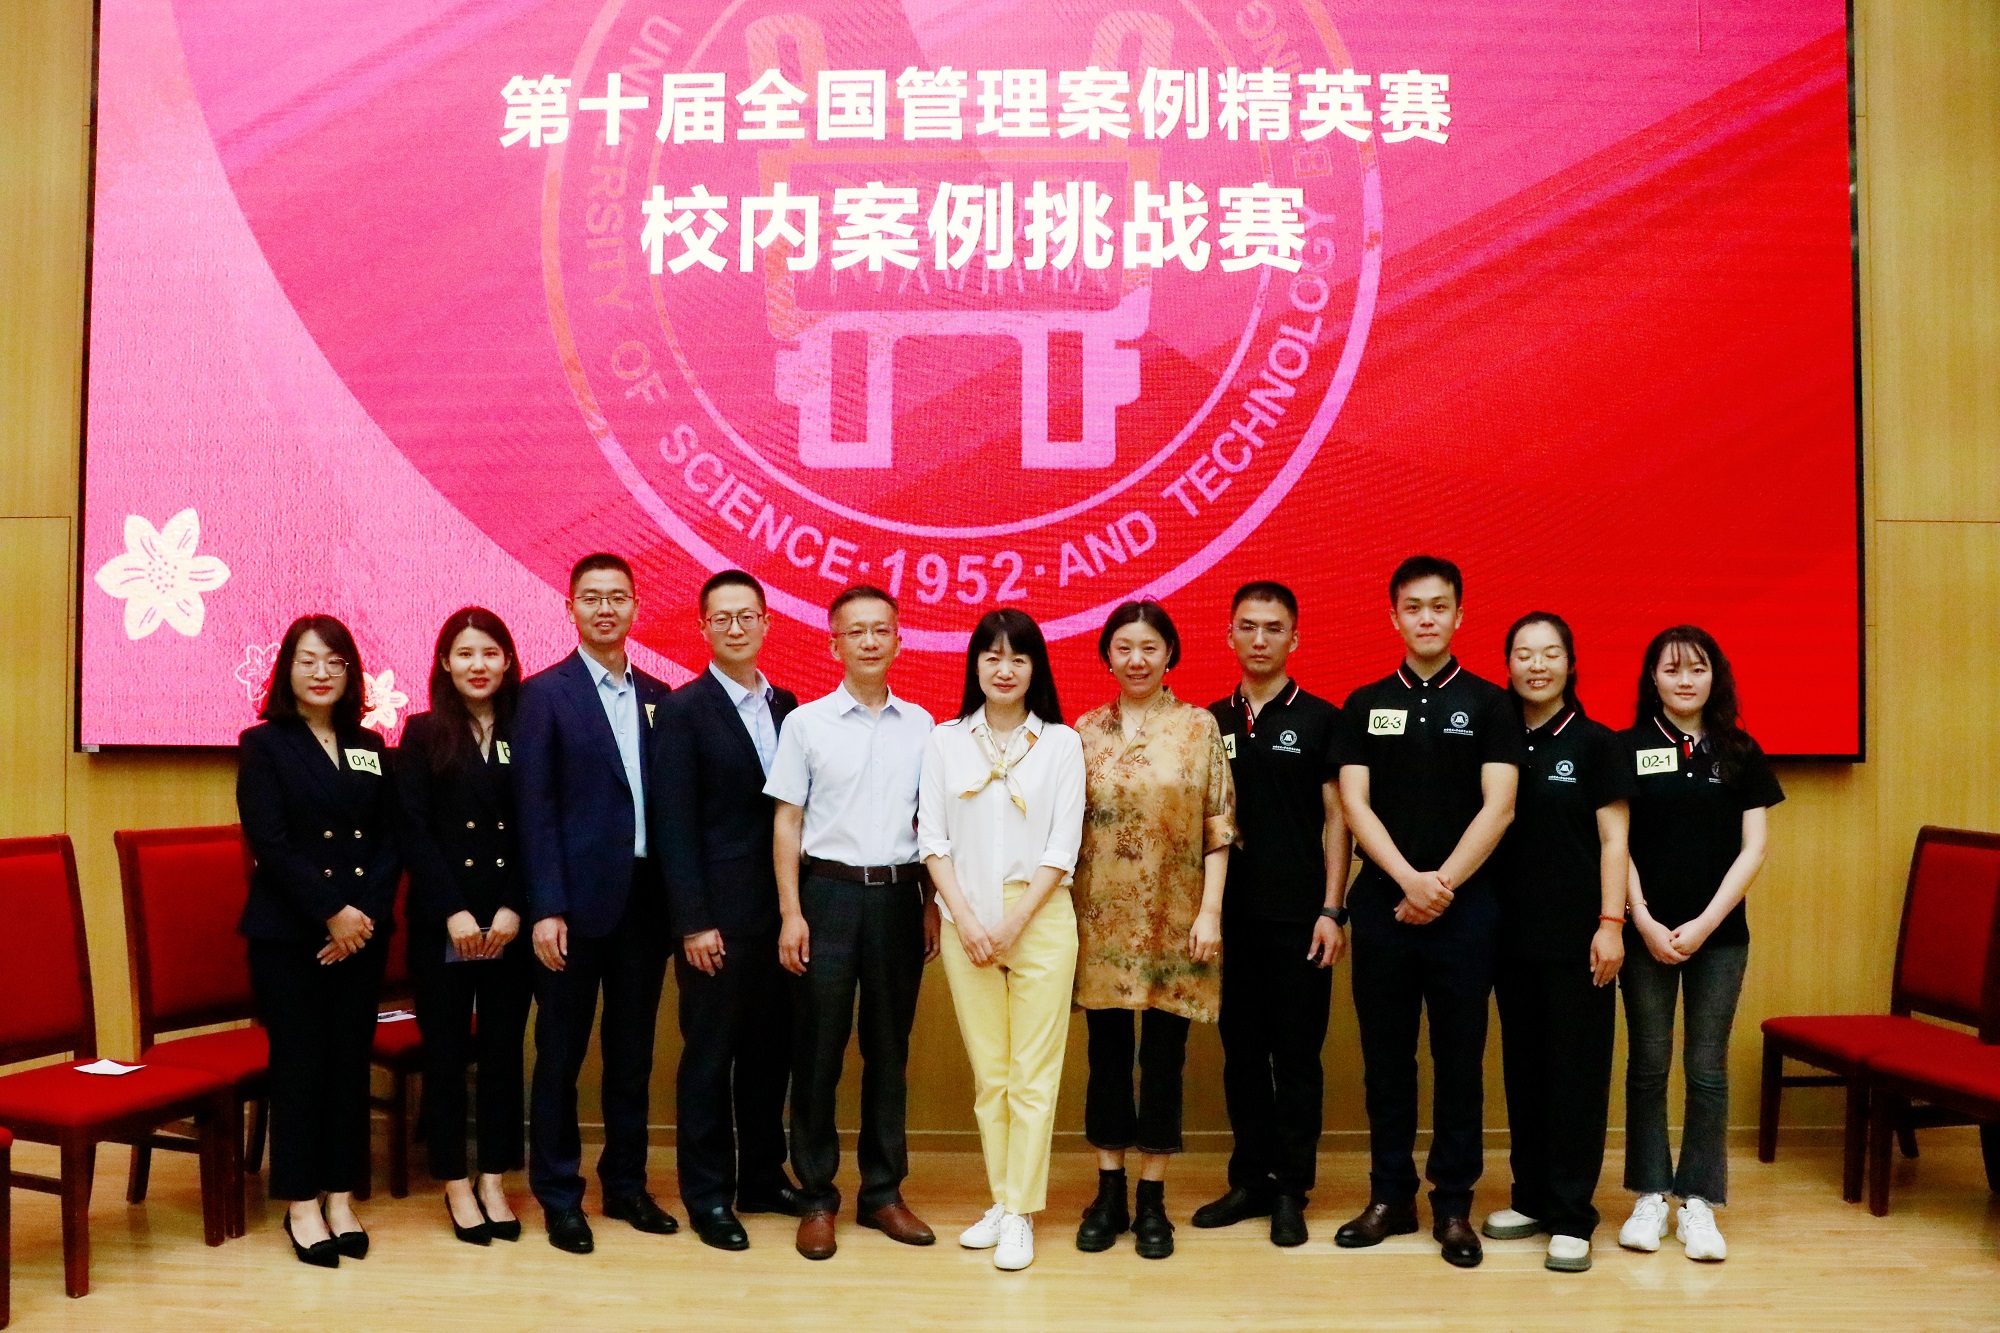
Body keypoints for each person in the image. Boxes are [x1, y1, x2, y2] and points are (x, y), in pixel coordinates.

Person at [1333, 555, 1521, 1268]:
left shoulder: (1490, 703)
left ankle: (1452, 1204)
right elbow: (1355, 804)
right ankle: (1389, 1196)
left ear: (1459, 615)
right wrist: (1408, 881)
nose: (1426, 618)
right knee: (1387, 1061)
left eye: (1439, 606)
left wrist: (1440, 885)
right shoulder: (1363, 703)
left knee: (1459, 1061)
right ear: (1394, 617)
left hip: (1467, 913)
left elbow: (1500, 806)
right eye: (1413, 607)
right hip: (1383, 907)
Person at [766, 585, 939, 1261]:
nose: (869, 641)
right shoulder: (806, 724)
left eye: (881, 630)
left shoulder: (924, 726)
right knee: (818, 1051)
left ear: (899, 640)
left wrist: (931, 902)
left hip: (898, 898)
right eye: (855, 631)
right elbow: (787, 821)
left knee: (890, 1052)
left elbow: (933, 824)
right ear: (833, 642)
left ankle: (883, 1192)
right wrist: (791, 911)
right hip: (827, 896)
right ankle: (816, 1196)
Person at [517, 553, 677, 1254]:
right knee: (560, 1053)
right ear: (571, 608)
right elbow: (534, 809)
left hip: (645, 903)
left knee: (631, 1054)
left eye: (617, 597)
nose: (605, 608)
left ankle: (626, 1184)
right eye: (591, 597)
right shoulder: (542, 695)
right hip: (571, 909)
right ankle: (559, 1194)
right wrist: (546, 906)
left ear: (636, 606)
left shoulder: (662, 696)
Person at [919, 609, 1086, 1272]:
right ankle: (1002, 1197)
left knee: (1032, 1075)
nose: (1005, 668)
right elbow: (932, 840)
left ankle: (1020, 1212)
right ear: (975, 665)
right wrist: (964, 918)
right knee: (991, 1076)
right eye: (992, 656)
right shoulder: (945, 740)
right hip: (966, 918)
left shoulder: (1062, 743)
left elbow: (1062, 847)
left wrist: (1013, 923)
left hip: (1038, 916)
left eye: (1018, 657)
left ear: (1035, 667)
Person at [1072, 599, 1235, 1261]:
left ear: (1170, 653)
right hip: (1100, 919)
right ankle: (1108, 1191)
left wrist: (1211, 911)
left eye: (1150, 646)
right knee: (1106, 1058)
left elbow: (1219, 826)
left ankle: (1151, 1198)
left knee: (1164, 1060)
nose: (1136, 659)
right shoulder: (1084, 731)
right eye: (1124, 647)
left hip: (1178, 917)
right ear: (1107, 655)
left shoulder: (1198, 728)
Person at [237, 614, 399, 1268]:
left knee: (348, 1063)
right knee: (301, 1064)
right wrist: (331, 913)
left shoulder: (372, 745)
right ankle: (301, 1202)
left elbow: (390, 839)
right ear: (287, 669)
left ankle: (340, 1194)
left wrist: (361, 918)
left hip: (361, 935)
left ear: (351, 672)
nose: (322, 672)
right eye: (308, 660)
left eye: (334, 661)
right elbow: (271, 843)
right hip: (290, 936)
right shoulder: (264, 744)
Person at [1617, 625, 1782, 1263]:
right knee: (1648, 1064)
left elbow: (1754, 848)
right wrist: (1643, 919)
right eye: (1671, 669)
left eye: (1697, 669)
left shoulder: (1740, 751)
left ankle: (1698, 1202)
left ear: (1716, 677)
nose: (1685, 680)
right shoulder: (1627, 747)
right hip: (1645, 935)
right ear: (1652, 678)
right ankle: (1649, 1195)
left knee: (1707, 1069)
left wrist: (1707, 922)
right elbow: (1616, 844)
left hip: (1720, 937)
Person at [1194, 581, 1350, 1249]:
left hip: (1300, 920)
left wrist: (1333, 908)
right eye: (1248, 626)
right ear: (1229, 634)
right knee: (1242, 1056)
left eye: (1273, 628)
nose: (1260, 639)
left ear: (1294, 638)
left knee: (1298, 1057)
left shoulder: (1320, 718)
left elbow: (1339, 820)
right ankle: (1250, 1181)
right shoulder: (1208, 722)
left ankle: (1291, 1189)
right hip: (1227, 921)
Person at [651, 571, 802, 1252]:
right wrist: (691, 920)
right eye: (723, 618)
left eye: (748, 615)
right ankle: (708, 1193)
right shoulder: (683, 710)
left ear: (767, 622)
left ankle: (762, 1177)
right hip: (715, 920)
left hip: (781, 915)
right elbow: (673, 824)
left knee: (771, 1054)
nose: (737, 627)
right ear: (704, 628)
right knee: (710, 1059)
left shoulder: (787, 705)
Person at [1481, 612, 1634, 1272]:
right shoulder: (1494, 737)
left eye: (1550, 653)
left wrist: (1610, 923)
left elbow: (1614, 839)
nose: (1536, 665)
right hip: (1507, 936)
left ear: (1571, 663)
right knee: (1525, 1072)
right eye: (1523, 653)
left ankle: (1573, 1214)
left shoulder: (1598, 744)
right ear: (1507, 664)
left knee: (1576, 1075)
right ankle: (1533, 1197)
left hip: (1580, 941)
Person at [397, 607, 534, 1246]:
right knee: (447, 1055)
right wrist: (452, 908)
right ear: (445, 663)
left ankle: (494, 1177)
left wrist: (514, 907)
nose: (478, 665)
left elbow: (540, 824)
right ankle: (455, 1179)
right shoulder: (423, 732)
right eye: (465, 653)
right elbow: (413, 828)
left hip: (509, 921)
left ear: (507, 661)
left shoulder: (529, 727)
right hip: (442, 922)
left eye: (489, 653)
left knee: (504, 1053)